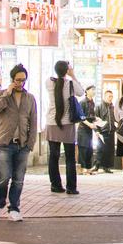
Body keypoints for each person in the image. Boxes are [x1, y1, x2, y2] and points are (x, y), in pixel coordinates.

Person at [0, 65, 38, 221]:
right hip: (5, 142)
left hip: (22, 144)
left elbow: (34, 121)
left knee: (18, 178)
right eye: (17, 80)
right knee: (4, 176)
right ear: (12, 79)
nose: (20, 83)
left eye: (23, 80)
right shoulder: (3, 94)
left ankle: (14, 208)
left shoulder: (29, 98)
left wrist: (30, 143)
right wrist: (7, 93)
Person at [44, 60, 84, 194]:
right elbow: (81, 92)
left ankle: (55, 185)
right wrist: (73, 75)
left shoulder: (49, 82)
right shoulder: (71, 84)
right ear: (67, 70)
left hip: (52, 122)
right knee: (70, 157)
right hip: (67, 124)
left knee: (53, 156)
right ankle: (71, 188)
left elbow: (57, 83)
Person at [76, 86, 103, 175]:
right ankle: (83, 168)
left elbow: (91, 116)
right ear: (87, 91)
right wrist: (89, 124)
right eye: (92, 90)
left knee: (89, 149)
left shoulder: (92, 102)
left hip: (89, 130)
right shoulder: (83, 102)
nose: (94, 91)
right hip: (83, 129)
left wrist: (96, 119)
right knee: (83, 148)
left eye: (95, 90)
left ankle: (88, 168)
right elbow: (81, 116)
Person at [94, 89, 116, 173]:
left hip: (111, 131)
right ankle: (97, 165)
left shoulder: (112, 107)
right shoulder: (99, 107)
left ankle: (107, 167)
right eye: (109, 96)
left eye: (112, 97)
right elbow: (95, 119)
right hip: (102, 131)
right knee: (100, 149)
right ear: (105, 96)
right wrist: (97, 130)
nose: (111, 98)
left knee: (110, 150)